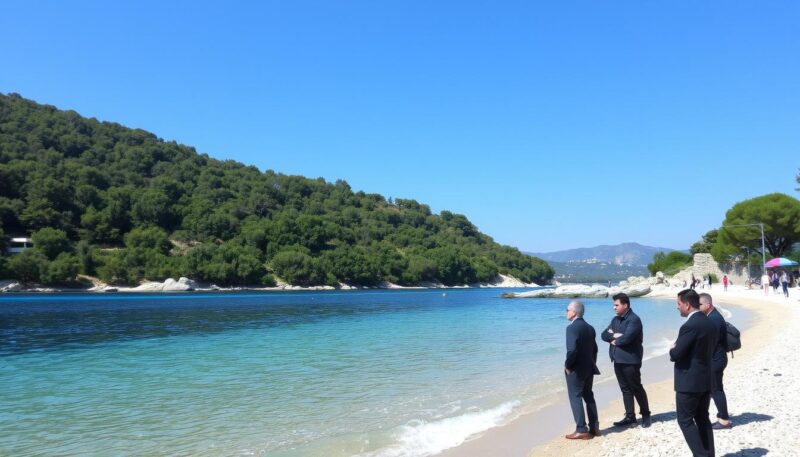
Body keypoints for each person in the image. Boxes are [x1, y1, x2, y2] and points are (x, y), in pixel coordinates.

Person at [670, 289, 716, 457]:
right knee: (703, 418)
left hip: (689, 381)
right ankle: (709, 454)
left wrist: (673, 348)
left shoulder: (689, 326)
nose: (677, 307)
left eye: (678, 304)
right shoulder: (709, 322)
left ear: (687, 304)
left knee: (685, 420)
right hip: (705, 378)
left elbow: (676, 354)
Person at [601, 292, 651, 428]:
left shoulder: (634, 320)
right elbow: (603, 335)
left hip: (631, 360)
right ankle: (630, 417)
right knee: (625, 389)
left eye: (616, 305)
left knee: (636, 388)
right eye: (614, 305)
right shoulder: (615, 320)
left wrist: (616, 339)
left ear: (625, 305)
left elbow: (627, 338)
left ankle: (646, 415)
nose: (614, 308)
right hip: (617, 360)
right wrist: (614, 337)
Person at [563, 300, 600, 440]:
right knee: (588, 395)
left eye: (567, 310)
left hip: (576, 369)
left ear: (574, 312)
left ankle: (581, 429)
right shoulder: (590, 328)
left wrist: (568, 365)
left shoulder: (571, 328)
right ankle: (595, 427)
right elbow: (595, 350)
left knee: (575, 397)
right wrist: (591, 363)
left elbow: (572, 350)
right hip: (589, 367)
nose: (566, 312)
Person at [699, 293, 731, 430]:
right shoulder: (712, 316)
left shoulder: (714, 319)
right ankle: (722, 415)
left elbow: (711, 341)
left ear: (708, 305)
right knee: (715, 389)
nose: (697, 307)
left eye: (699, 305)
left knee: (716, 389)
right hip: (717, 358)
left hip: (716, 359)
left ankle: (724, 420)